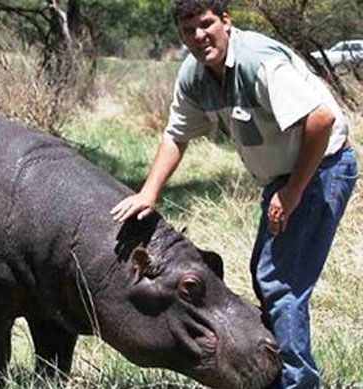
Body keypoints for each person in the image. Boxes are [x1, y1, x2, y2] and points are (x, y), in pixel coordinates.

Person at [110, 0, 358, 388]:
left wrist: (292, 193)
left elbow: (321, 118)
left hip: (321, 170)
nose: (198, 36)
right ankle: (277, 373)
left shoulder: (256, 61)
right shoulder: (195, 75)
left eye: (206, 24)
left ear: (226, 21)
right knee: (268, 278)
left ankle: (295, 383)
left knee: (280, 283)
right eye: (188, 29)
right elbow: (176, 135)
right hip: (283, 180)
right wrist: (149, 193)